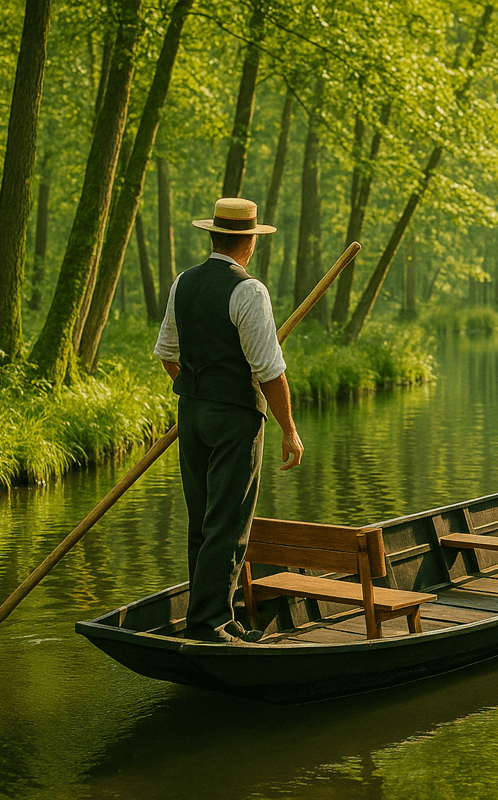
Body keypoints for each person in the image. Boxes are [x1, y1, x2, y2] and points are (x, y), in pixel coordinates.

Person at [153, 197, 304, 643]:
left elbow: (168, 356)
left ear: (215, 236)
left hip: (192, 415)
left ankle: (217, 615)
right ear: (249, 243)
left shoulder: (184, 282)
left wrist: (202, 391)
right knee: (230, 523)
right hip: (235, 418)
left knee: (202, 519)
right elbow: (270, 372)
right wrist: (290, 431)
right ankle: (210, 625)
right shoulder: (249, 290)